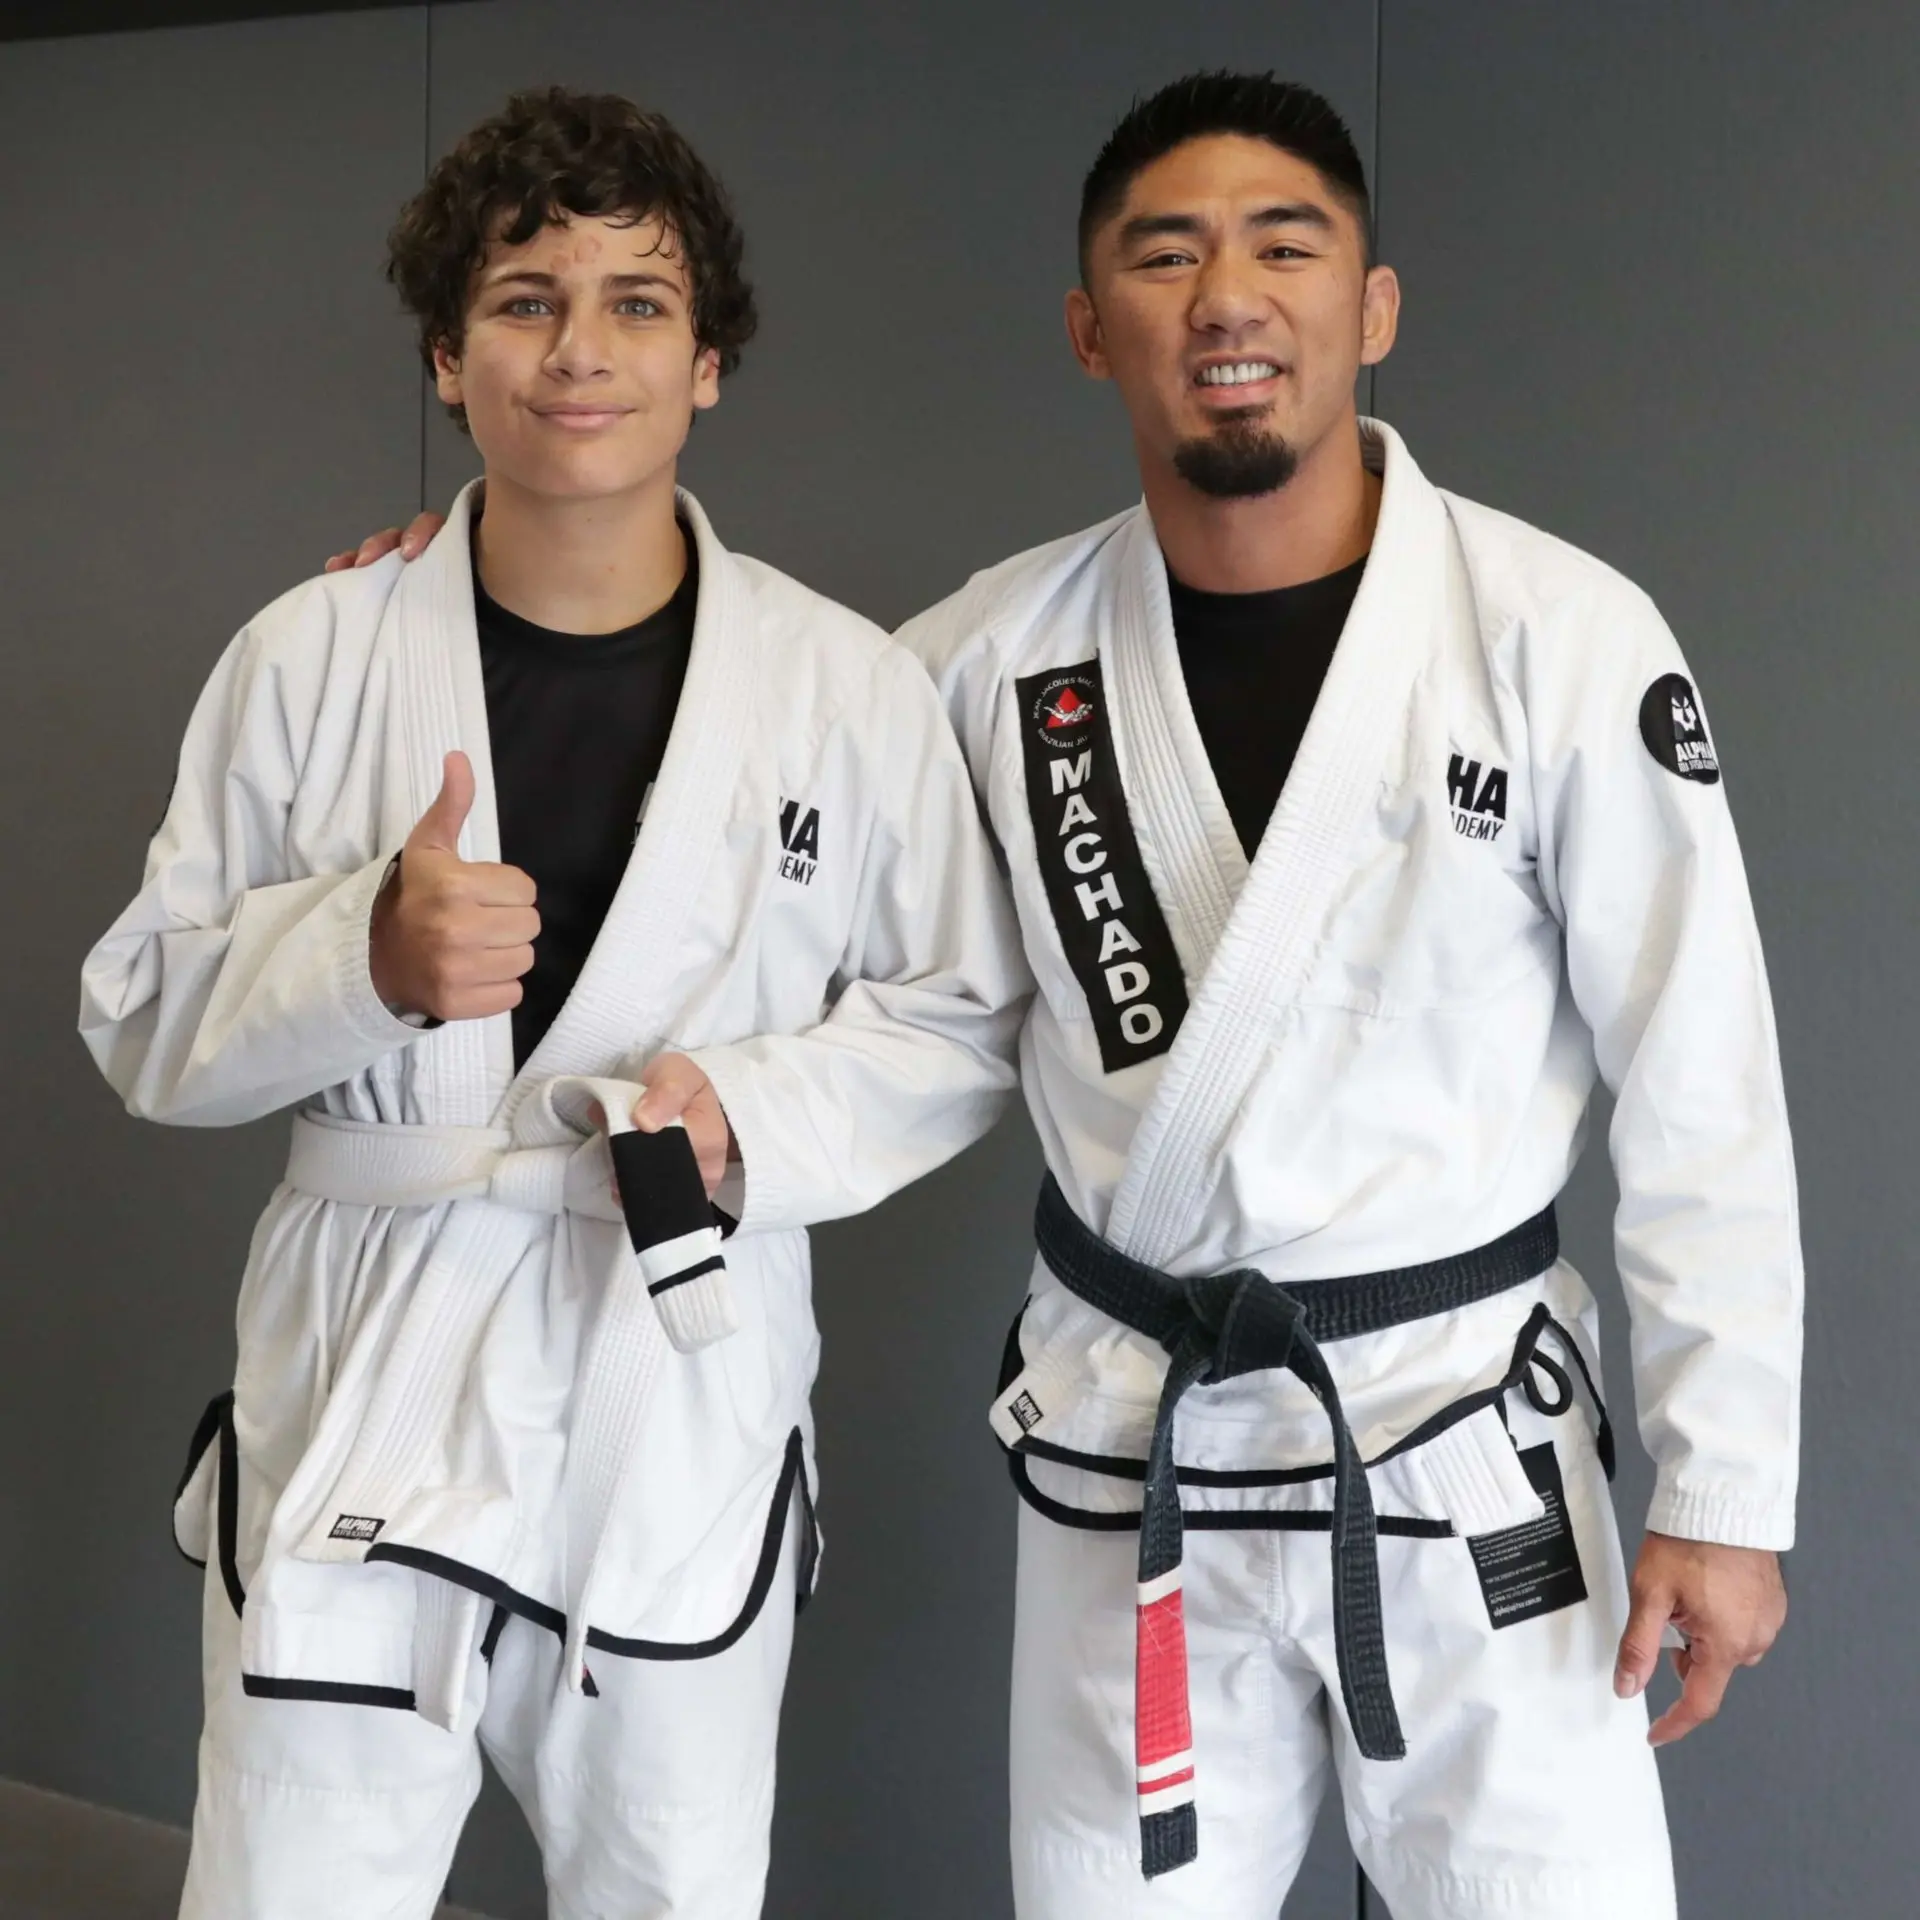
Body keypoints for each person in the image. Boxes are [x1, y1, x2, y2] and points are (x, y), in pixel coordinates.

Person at [348, 71, 1801, 1920]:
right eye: (1164, 255)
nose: (1226, 299)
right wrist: (456, 586)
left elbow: (1704, 1081)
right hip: (1137, 1444)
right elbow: (833, 867)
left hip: (1460, 1445)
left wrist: (1724, 1489)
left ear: (1372, 310)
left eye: (1287, 248)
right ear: (1087, 326)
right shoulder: (983, 661)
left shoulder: (1560, 639)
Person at [80, 86, 1026, 1920]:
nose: (578, 350)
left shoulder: (841, 685)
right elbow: (144, 1015)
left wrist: (748, 1116)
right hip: (377, 1354)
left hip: (667, 1368)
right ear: (447, 356)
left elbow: (963, 1016)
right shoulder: (313, 653)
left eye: (637, 302)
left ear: (712, 360)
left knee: (666, 1891)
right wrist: (360, 955)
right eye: (523, 300)